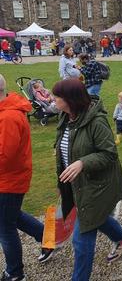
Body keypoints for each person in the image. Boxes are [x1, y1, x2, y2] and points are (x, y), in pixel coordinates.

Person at [52, 78, 122, 281]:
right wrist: (61, 184)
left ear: (70, 99)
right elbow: (62, 151)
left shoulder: (96, 121)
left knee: (81, 239)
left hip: (98, 186)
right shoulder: (65, 117)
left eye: (57, 97)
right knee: (98, 218)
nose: (54, 100)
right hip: (76, 185)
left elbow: (109, 153)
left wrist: (82, 163)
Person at [0, 75, 53, 281]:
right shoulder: (6, 113)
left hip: (9, 181)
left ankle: (15, 272)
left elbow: (5, 156)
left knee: (5, 227)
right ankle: (48, 239)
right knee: (12, 216)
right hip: (11, 178)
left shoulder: (8, 118)